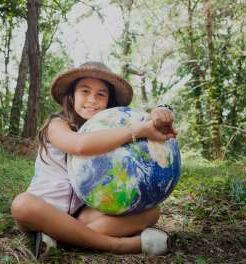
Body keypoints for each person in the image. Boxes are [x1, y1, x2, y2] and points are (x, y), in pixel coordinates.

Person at [11, 62, 177, 258]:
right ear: (72, 96)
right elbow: (80, 145)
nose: (92, 99)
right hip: (42, 211)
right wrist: (137, 131)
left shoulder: (109, 129)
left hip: (82, 216)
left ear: (109, 102)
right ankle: (122, 245)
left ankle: (61, 238)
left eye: (101, 94)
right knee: (22, 204)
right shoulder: (58, 124)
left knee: (152, 213)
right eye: (85, 91)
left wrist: (160, 111)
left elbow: (141, 121)